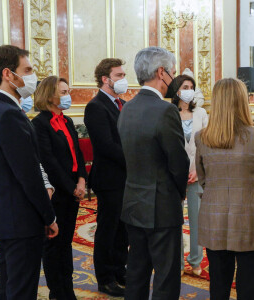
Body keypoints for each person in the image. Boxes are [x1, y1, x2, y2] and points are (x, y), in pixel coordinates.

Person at [0, 45, 58, 300]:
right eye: (27, 70)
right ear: (8, 74)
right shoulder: (8, 115)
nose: (32, 76)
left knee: (9, 284)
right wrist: (49, 217)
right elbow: (28, 175)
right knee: (21, 290)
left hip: (5, 214)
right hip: (21, 219)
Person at [195, 78, 254, 300]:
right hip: (251, 216)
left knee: (218, 286)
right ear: (243, 101)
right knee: (249, 286)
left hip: (214, 216)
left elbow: (202, 179)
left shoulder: (202, 137)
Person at [118, 46, 190, 300]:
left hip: (134, 203)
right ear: (162, 73)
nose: (174, 78)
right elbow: (178, 163)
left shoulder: (127, 108)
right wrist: (179, 194)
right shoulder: (165, 110)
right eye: (172, 72)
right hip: (162, 207)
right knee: (166, 276)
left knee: (136, 271)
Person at [32, 76, 87, 300]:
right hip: (56, 192)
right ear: (49, 96)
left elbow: (78, 154)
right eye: (63, 92)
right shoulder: (40, 123)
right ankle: (58, 291)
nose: (67, 96)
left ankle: (68, 288)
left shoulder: (67, 121)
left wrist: (82, 180)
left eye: (67, 91)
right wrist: (71, 187)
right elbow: (48, 162)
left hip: (73, 188)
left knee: (66, 242)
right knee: (54, 244)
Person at [84, 58, 128, 297]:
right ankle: (105, 278)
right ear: (105, 79)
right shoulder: (96, 106)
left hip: (125, 178)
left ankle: (120, 270)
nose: (123, 79)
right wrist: (134, 158)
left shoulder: (122, 104)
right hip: (109, 179)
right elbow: (106, 146)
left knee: (124, 230)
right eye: (119, 75)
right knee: (108, 230)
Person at [172, 74, 208, 276]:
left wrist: (197, 170)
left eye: (192, 86)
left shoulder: (201, 112)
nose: (189, 89)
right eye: (185, 86)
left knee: (197, 219)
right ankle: (176, 263)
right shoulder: (168, 112)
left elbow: (206, 143)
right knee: (175, 220)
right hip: (174, 175)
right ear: (177, 90)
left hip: (197, 173)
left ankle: (195, 261)